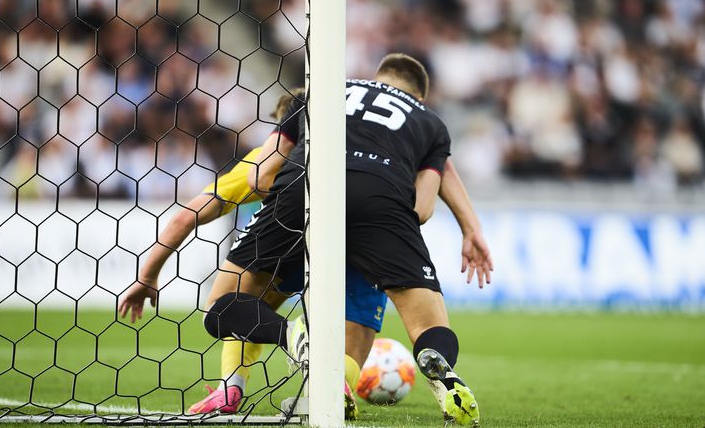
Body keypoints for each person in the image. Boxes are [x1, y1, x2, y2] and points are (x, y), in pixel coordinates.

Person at [201, 53, 493, 426]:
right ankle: (443, 372)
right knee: (426, 324)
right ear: (419, 95)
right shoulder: (429, 122)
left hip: (305, 189)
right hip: (382, 203)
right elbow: (422, 209)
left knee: (222, 304)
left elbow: (262, 175)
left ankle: (292, 337)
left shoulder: (319, 92)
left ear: (377, 77)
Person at [118, 90, 388, 419]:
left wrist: (147, 276)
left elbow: (185, 216)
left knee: (236, 305)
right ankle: (334, 386)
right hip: (361, 235)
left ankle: (237, 383)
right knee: (355, 330)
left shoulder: (266, 157)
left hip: (284, 236)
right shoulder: (376, 159)